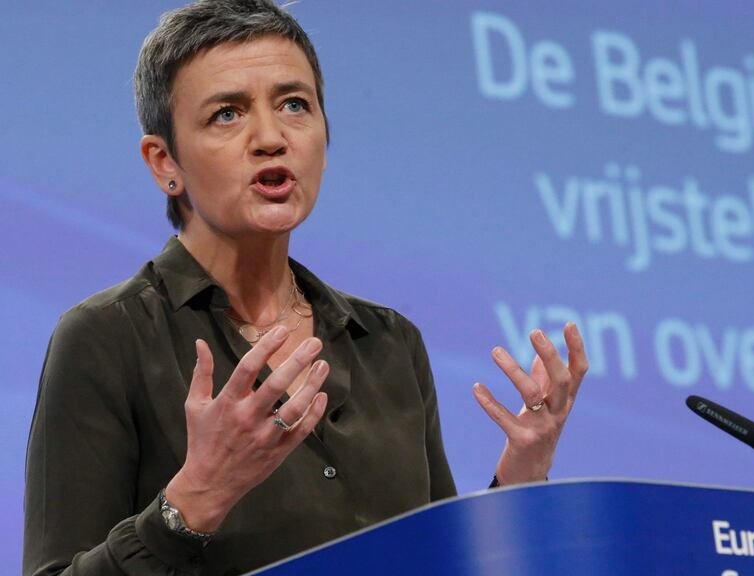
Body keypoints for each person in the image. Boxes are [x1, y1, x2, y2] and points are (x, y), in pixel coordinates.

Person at [22, 2, 588, 574]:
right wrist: (196, 497)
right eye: (227, 114)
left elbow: (442, 561)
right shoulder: (107, 338)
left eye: (295, 104)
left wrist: (521, 475)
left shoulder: (388, 343)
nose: (271, 137)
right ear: (164, 161)